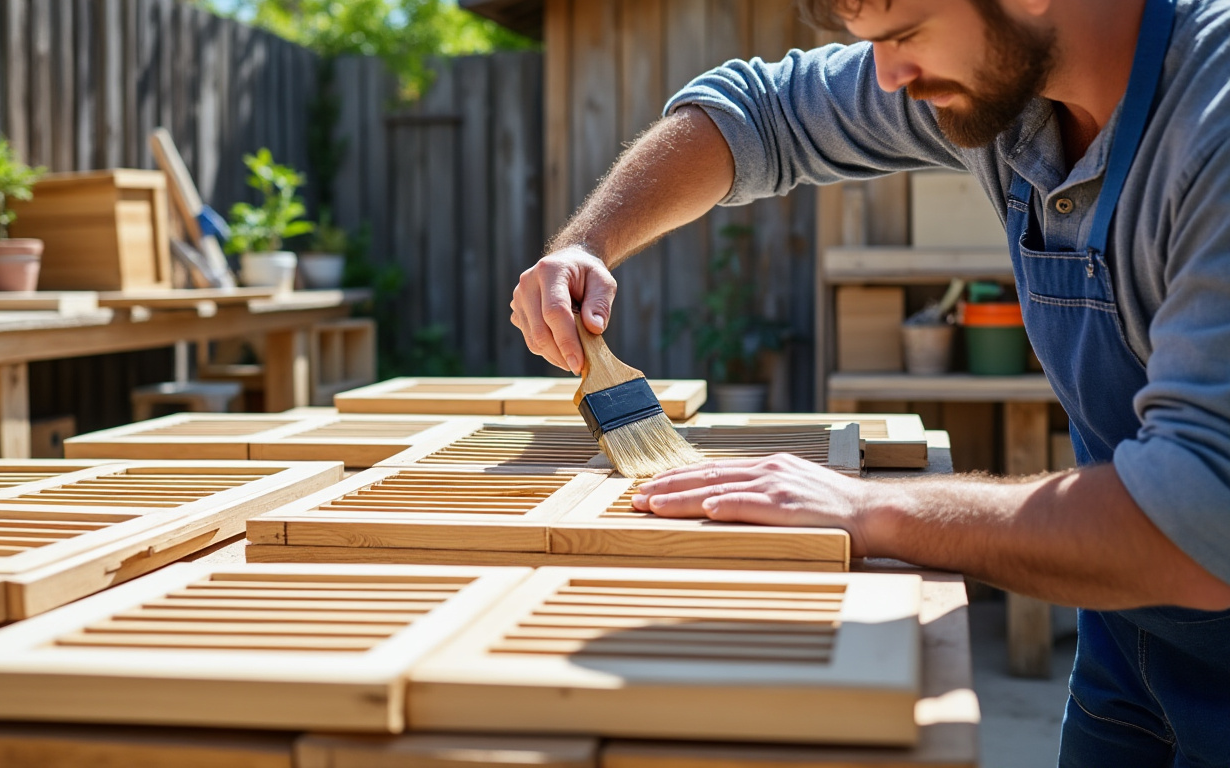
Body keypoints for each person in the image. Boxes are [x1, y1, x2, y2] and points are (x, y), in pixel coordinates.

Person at [509, 0, 1230, 763]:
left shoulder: (1210, 119)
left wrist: (875, 509)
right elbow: (758, 110)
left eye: (906, 34)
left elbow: (1201, 518)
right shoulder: (1005, 84)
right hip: (1128, 642)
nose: (888, 75)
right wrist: (589, 242)